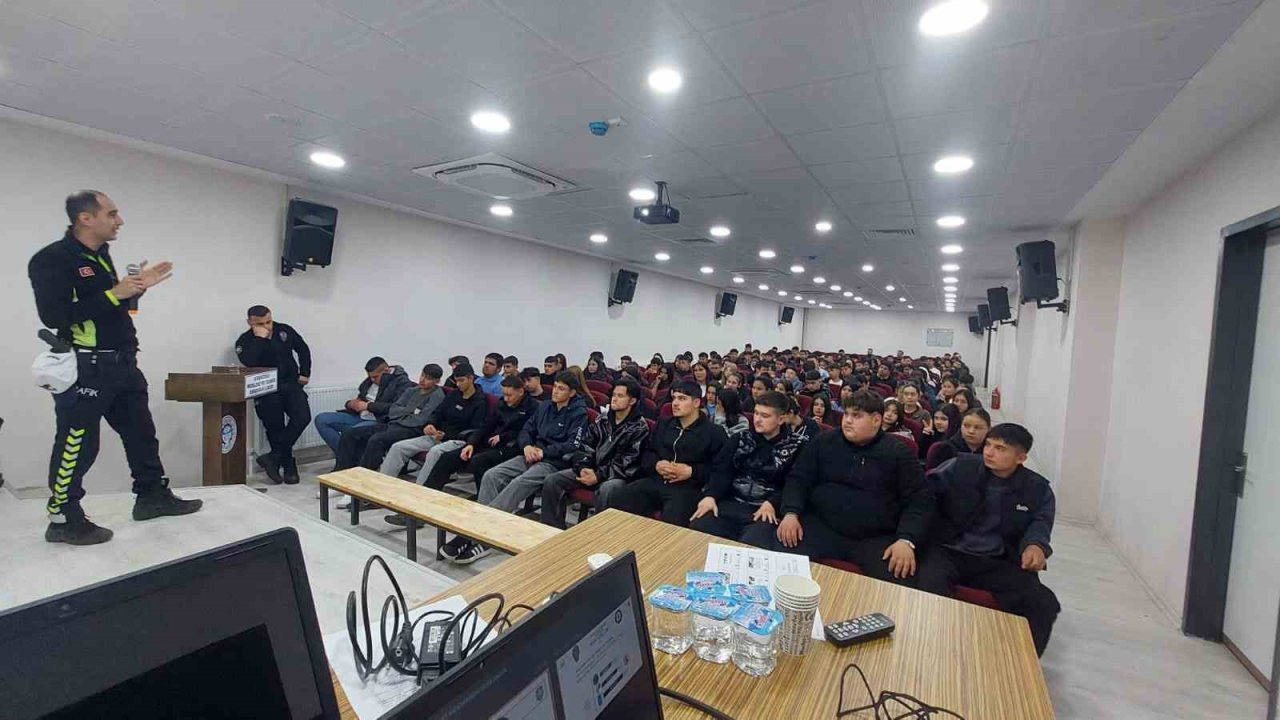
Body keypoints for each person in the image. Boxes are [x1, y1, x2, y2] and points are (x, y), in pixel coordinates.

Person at [28, 189, 201, 545]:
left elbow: (109, 308)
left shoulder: (102, 255)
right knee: (78, 442)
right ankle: (62, 517)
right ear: (85, 218)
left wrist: (135, 290)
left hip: (124, 363)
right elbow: (55, 315)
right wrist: (114, 294)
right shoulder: (52, 259)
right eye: (112, 214)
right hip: (88, 367)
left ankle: (152, 496)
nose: (119, 220)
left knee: (141, 434)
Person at [742, 390, 935, 587]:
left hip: (875, 537)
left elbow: (919, 500)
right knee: (781, 559)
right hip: (822, 525)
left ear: (876, 420)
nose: (848, 420)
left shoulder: (898, 453)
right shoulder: (824, 442)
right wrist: (791, 512)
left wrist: (906, 540)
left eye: (856, 416)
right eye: (847, 414)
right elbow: (799, 479)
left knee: (900, 577)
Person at [918, 424, 1061, 655]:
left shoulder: (1037, 489)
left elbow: (1040, 522)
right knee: (928, 583)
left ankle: (1020, 667)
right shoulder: (960, 467)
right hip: (949, 550)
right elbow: (924, 493)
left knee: (1042, 603)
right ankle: (935, 648)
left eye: (1000, 448)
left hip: (998, 560)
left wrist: (1035, 545)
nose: (989, 452)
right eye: (988, 445)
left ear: (1021, 457)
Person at [444, 372, 589, 563]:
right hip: (530, 453)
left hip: (553, 461)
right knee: (491, 475)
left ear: (571, 393)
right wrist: (527, 446)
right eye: (554, 386)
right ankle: (484, 532)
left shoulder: (579, 413)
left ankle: (477, 536)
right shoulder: (545, 406)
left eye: (561, 388)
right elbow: (527, 430)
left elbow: (573, 445)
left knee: (518, 483)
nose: (555, 391)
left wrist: (544, 453)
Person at [381, 363, 490, 526]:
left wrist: (446, 434)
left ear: (471, 378)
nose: (459, 385)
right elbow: (438, 413)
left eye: (462, 381)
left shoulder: (480, 401)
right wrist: (430, 424)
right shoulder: (454, 395)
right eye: (456, 381)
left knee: (434, 453)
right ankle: (379, 491)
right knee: (399, 447)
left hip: (459, 440)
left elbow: (475, 429)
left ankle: (415, 505)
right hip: (437, 435)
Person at [607, 381, 727, 527]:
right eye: (674, 398)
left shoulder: (714, 433)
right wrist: (656, 464)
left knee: (674, 517)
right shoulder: (664, 424)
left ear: (696, 402)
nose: (675, 403)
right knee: (618, 498)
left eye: (682, 399)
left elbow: (721, 470)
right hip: (657, 480)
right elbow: (647, 454)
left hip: (688, 487)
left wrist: (692, 471)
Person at [690, 391, 807, 541]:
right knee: (700, 526)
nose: (757, 420)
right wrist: (711, 495)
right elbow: (721, 471)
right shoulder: (740, 439)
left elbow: (795, 483)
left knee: (754, 540)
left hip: (765, 509)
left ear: (781, 419)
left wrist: (773, 503)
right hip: (731, 502)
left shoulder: (796, 447)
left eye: (765, 416)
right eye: (756, 413)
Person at [540, 379, 649, 528]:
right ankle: (552, 529)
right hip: (593, 469)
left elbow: (628, 462)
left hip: (618, 475)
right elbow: (585, 446)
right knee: (552, 481)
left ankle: (599, 535)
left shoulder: (639, 427)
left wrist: (598, 475)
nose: (614, 398)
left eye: (620, 396)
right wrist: (583, 466)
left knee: (607, 489)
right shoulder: (603, 419)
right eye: (614, 395)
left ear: (632, 401)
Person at [418, 374, 540, 495]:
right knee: (448, 458)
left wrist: (503, 436)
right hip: (491, 442)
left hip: (512, 446)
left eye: (509, 395)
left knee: (479, 461)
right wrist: (471, 444)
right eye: (504, 395)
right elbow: (486, 426)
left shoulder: (532, 406)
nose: (506, 399)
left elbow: (527, 431)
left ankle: (483, 499)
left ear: (520, 391)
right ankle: (429, 494)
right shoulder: (502, 403)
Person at [235, 305, 312, 484]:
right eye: (260, 323)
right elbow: (249, 361)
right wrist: (260, 339)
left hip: (291, 385)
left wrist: (305, 372)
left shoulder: (284, 330)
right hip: (267, 390)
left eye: (268, 321)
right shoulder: (245, 341)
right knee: (275, 429)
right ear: (250, 322)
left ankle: (273, 457)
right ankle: (287, 465)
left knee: (302, 418)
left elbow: (302, 348)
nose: (267, 327)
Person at [333, 364, 445, 472]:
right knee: (350, 433)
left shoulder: (437, 395)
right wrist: (410, 411)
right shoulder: (412, 390)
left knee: (377, 439)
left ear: (437, 381)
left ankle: (363, 476)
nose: (423, 380)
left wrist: (404, 412)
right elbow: (393, 410)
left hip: (412, 430)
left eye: (428, 378)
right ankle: (341, 471)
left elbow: (421, 419)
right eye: (422, 375)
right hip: (393, 424)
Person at [313, 357, 411, 453]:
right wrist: (351, 404)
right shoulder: (370, 381)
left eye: (375, 377)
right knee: (321, 419)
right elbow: (361, 397)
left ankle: (347, 459)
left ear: (386, 371)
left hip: (379, 420)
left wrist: (368, 406)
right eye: (370, 377)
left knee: (351, 433)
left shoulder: (401, 382)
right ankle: (346, 458)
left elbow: (396, 408)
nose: (372, 379)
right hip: (359, 415)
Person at [926, 408, 991, 471]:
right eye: (966, 426)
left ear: (989, 429)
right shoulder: (944, 449)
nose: (971, 431)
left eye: (977, 427)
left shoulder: (992, 452)